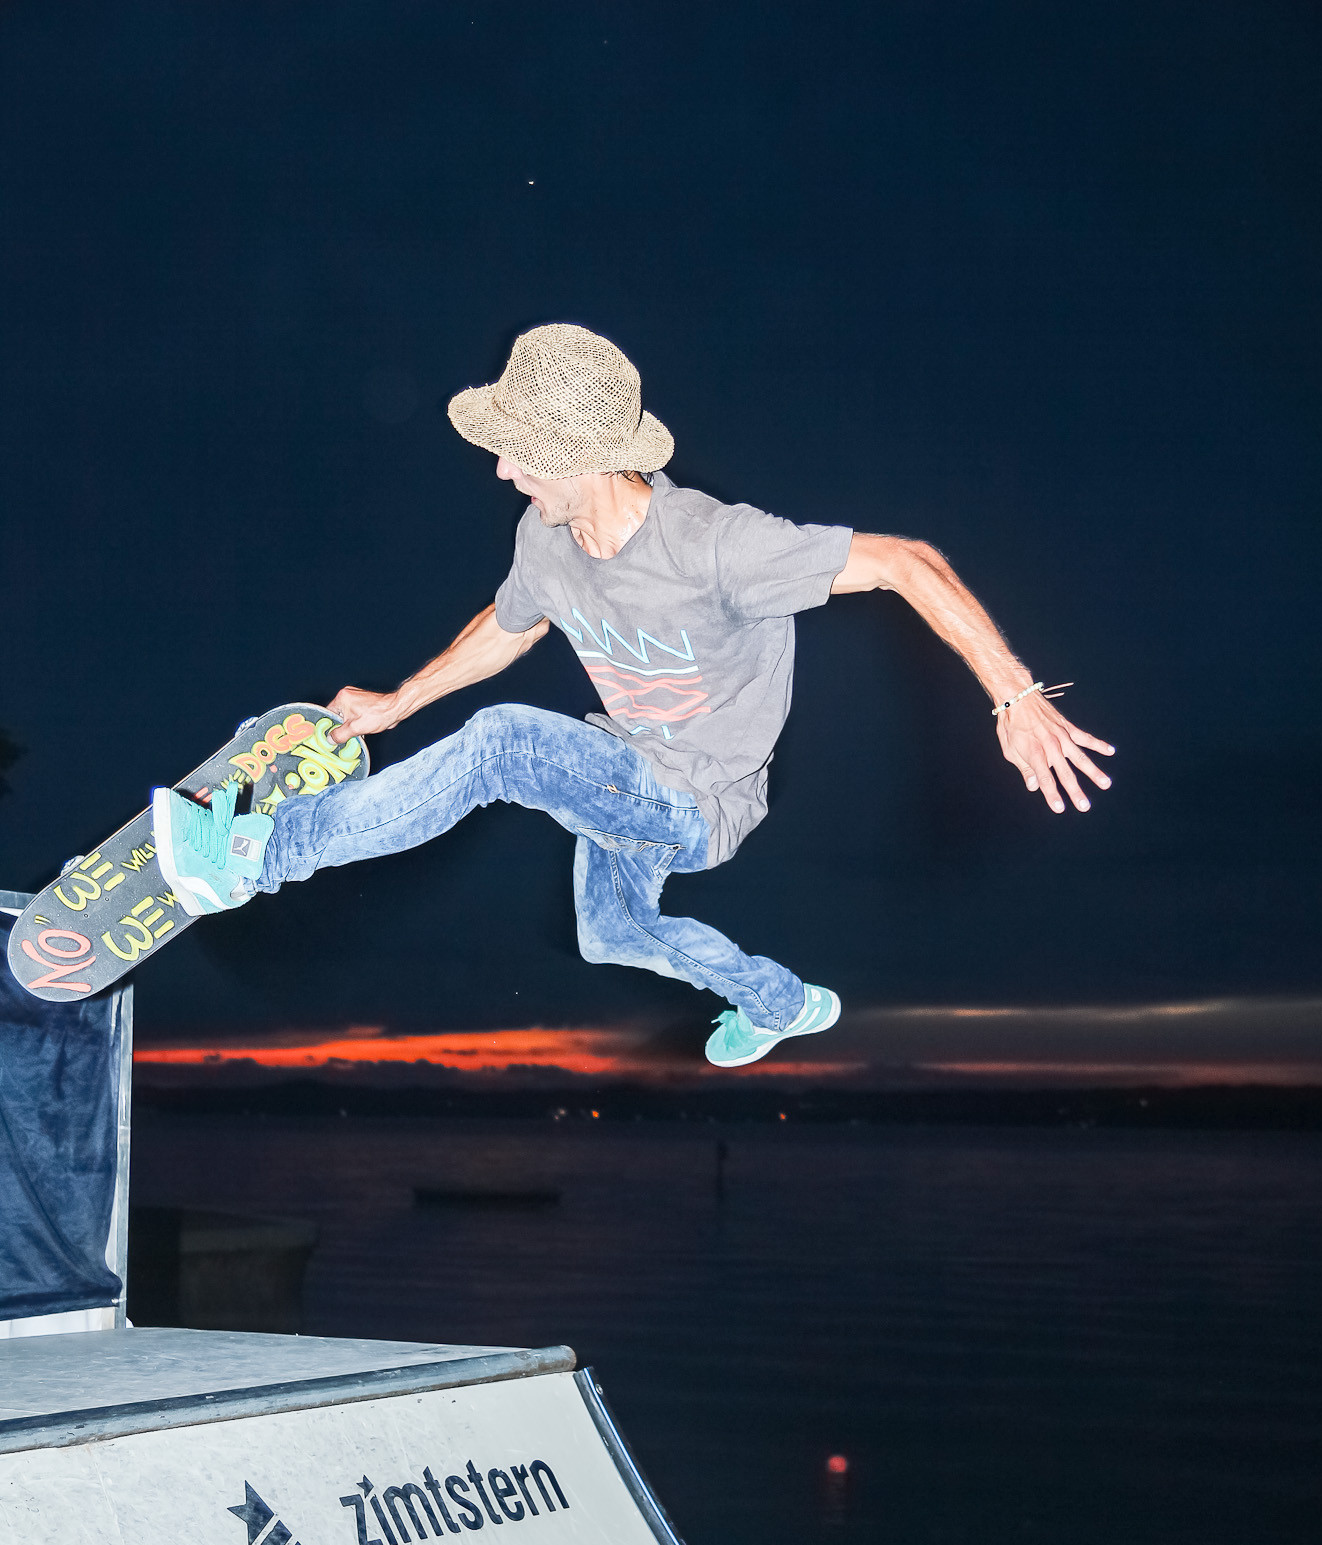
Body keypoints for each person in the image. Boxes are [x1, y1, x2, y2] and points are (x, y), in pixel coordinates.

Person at [152, 323, 1113, 1067]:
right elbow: (511, 625)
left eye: (522, 455)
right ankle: (779, 1003)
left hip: (698, 802)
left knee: (505, 744)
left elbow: (907, 562)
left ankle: (252, 858)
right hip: (620, 773)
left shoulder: (716, 545)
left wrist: (1013, 696)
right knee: (612, 935)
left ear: (585, 457)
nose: (503, 472)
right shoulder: (544, 535)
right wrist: (399, 702)